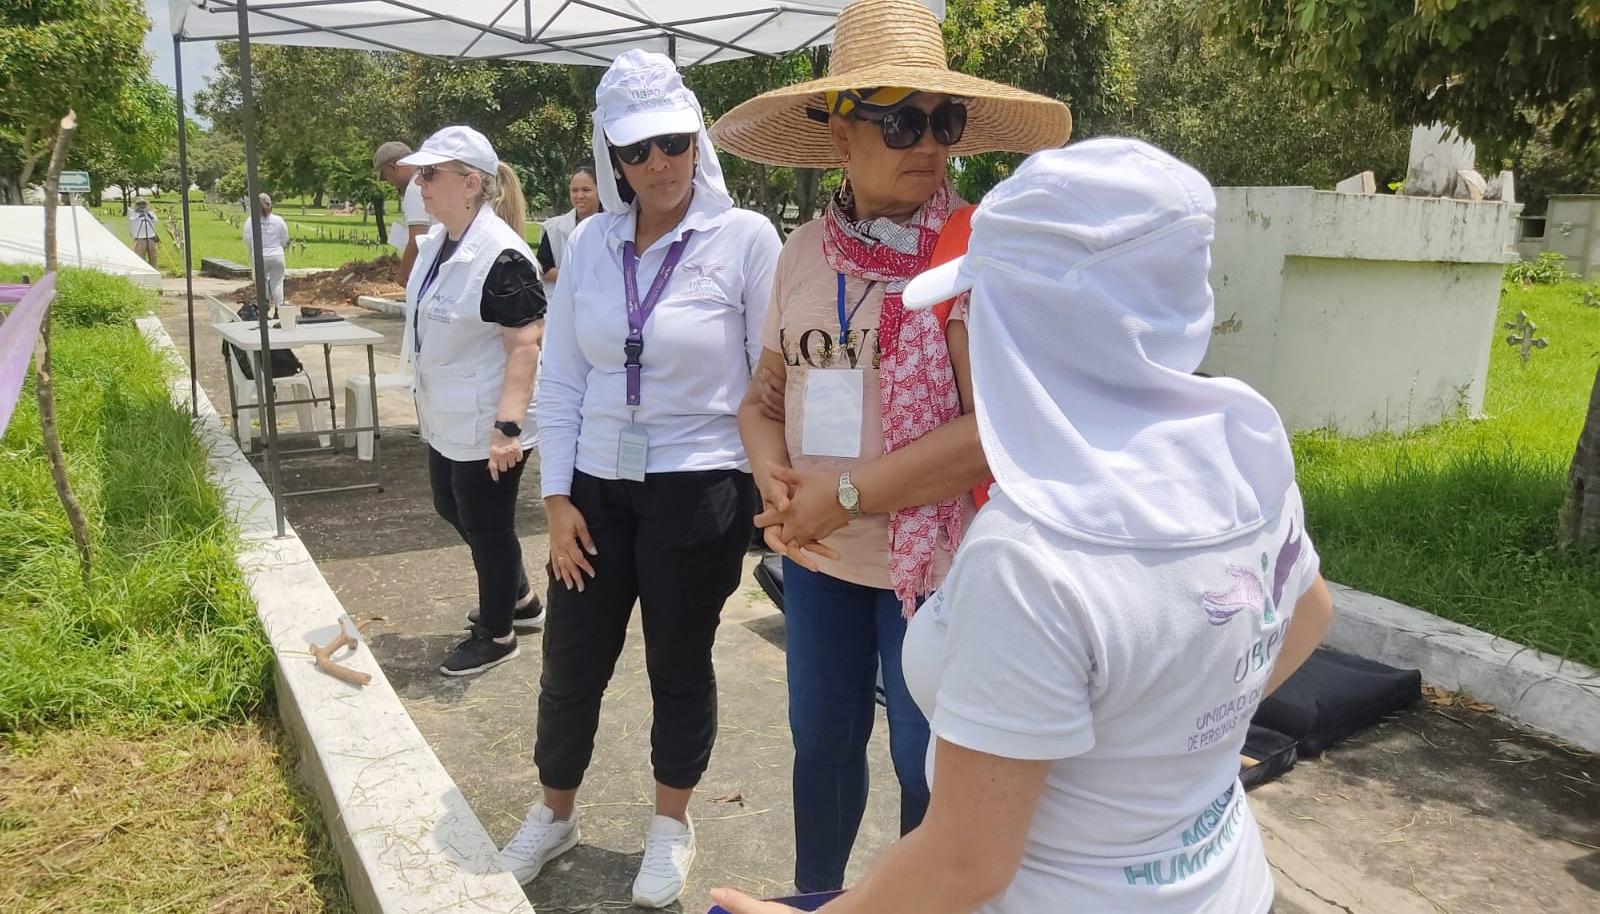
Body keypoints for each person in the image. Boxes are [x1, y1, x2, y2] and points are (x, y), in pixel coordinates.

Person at [712, 139, 1336, 914]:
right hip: (1227, 886)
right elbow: (1308, 614)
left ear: (1030, 318)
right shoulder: (1243, 445)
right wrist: (1167, 743)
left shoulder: (1027, 556)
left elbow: (963, 864)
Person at [709, 0, 1070, 894]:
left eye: (943, 122)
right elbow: (762, 400)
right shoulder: (800, 257)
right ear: (840, 133)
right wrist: (775, 476)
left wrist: (850, 494)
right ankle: (815, 900)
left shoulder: (976, 256)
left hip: (939, 570)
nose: (930, 144)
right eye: (902, 119)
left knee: (928, 775)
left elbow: (995, 435)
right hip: (822, 560)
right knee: (821, 751)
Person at [500, 49, 781, 909]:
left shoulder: (745, 239)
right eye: (635, 150)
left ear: (698, 139)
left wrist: (773, 493)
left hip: (699, 485)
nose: (657, 164)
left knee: (678, 660)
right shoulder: (590, 242)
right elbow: (564, 377)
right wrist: (552, 498)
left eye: (672, 142)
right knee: (572, 654)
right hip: (594, 486)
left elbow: (769, 380)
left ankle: (671, 826)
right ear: (611, 158)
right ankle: (556, 813)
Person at [398, 125, 547, 676]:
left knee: (486, 524)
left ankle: (498, 632)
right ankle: (522, 599)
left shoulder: (502, 256)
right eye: (420, 173)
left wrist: (507, 426)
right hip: (446, 413)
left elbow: (526, 345)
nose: (420, 183)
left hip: (490, 419)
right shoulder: (438, 243)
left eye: (431, 174)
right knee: (450, 506)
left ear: (470, 184)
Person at [375, 140, 438, 285]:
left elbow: (417, 238)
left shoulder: (415, 187)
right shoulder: (431, 179)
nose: (390, 182)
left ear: (392, 168)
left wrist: (402, 276)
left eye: (387, 176)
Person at [537, 165, 602, 296]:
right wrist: (579, 279)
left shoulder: (615, 227)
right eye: (574, 190)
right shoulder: (553, 228)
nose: (579, 196)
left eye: (586, 190)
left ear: (600, 191)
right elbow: (544, 269)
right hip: (562, 299)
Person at [243, 193, 291, 314]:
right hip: (277, 255)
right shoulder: (279, 220)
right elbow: (285, 239)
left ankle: (263, 308)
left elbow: (247, 239)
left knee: (261, 283)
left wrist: (253, 250)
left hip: (259, 256)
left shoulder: (251, 221)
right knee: (277, 283)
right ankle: (279, 309)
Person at [128, 197, 159, 268]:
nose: (141, 205)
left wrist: (149, 215)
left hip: (151, 238)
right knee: (140, 256)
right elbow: (132, 222)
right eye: (139, 204)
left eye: (143, 203)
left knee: (153, 256)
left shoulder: (151, 213)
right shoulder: (133, 214)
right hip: (140, 239)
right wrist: (139, 216)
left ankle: (154, 270)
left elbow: (155, 222)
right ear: (136, 205)